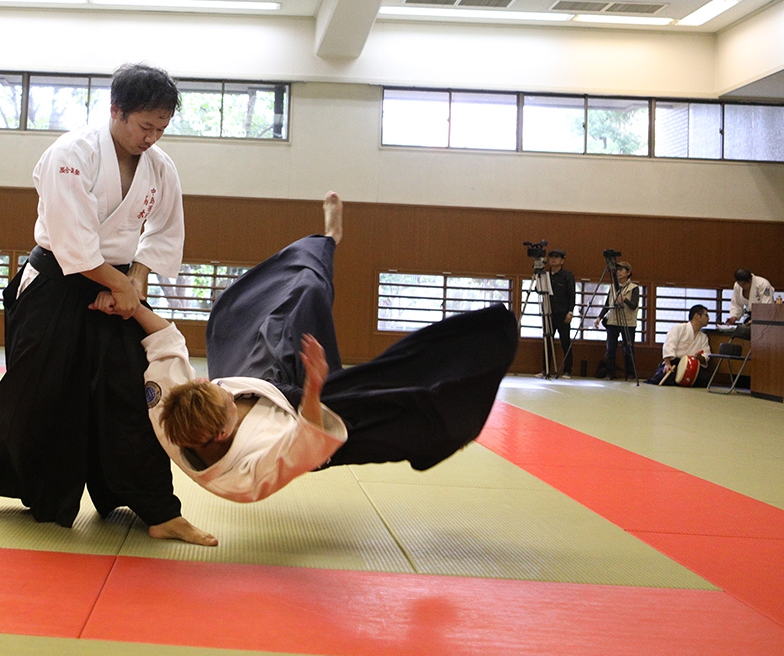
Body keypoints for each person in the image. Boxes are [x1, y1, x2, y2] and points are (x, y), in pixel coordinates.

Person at [118, 192, 517, 503]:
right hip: (309, 424)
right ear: (224, 432)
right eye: (224, 401)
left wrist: (131, 303)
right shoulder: (245, 476)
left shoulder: (170, 414)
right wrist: (312, 388)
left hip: (258, 379)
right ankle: (457, 411)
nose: (216, 387)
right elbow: (305, 440)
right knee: (402, 403)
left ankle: (328, 240)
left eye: (211, 387)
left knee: (299, 295)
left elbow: (166, 344)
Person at [0, 63, 212, 546]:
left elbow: (164, 231)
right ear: (116, 111)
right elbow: (72, 241)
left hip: (117, 286)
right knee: (33, 386)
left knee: (131, 394)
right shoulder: (71, 153)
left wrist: (134, 280)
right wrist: (120, 286)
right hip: (57, 281)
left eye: (162, 128)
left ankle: (158, 509)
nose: (152, 138)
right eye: (145, 126)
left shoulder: (160, 167)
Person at [647, 304, 713, 385]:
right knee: (665, 376)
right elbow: (668, 346)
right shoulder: (679, 328)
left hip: (692, 366)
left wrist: (700, 357)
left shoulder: (703, 337)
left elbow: (706, 355)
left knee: (704, 379)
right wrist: (667, 364)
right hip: (675, 363)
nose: (708, 319)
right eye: (706, 315)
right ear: (697, 316)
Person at [596, 261, 639, 379]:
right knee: (610, 348)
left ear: (628, 272)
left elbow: (634, 305)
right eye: (617, 270)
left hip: (628, 322)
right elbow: (607, 304)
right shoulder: (612, 287)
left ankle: (630, 374)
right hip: (613, 320)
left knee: (628, 348)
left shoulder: (634, 288)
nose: (618, 272)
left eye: (621, 270)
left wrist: (624, 299)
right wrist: (599, 317)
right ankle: (609, 373)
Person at [545, 249, 576, 376]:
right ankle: (546, 369)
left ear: (562, 261)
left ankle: (567, 370)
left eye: (557, 257)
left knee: (565, 342)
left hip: (563, 313)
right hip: (548, 313)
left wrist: (570, 312)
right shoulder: (545, 275)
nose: (553, 259)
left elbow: (572, 295)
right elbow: (538, 289)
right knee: (547, 341)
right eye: (551, 257)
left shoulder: (567, 275)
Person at [725, 267, 774, 339]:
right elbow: (736, 303)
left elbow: (767, 307)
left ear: (750, 279)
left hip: (763, 319)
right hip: (749, 318)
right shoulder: (737, 286)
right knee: (740, 333)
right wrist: (734, 317)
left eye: (744, 284)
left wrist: (756, 320)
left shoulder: (763, 284)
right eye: (740, 284)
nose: (742, 286)